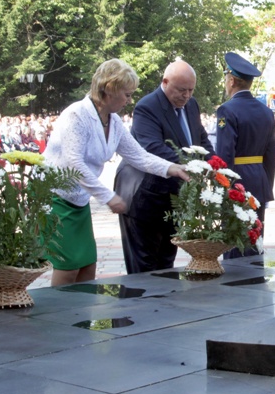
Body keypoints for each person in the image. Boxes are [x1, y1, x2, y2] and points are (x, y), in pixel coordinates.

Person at [43, 58, 189, 286]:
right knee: (68, 268)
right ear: (109, 90)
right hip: (57, 198)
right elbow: (73, 163)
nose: (130, 101)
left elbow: (138, 155)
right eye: (127, 94)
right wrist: (108, 197)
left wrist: (172, 168)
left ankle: (82, 320)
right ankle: (60, 319)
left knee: (88, 267)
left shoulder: (113, 121)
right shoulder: (76, 116)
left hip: (78, 202)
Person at [113, 59, 212, 274]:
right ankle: (141, 306)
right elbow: (153, 149)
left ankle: (164, 306)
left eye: (191, 90)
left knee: (166, 262)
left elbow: (201, 141)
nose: (186, 96)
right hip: (144, 196)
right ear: (165, 82)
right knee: (144, 266)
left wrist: (215, 166)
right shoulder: (147, 107)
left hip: (173, 197)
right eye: (181, 90)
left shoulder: (191, 105)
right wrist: (194, 168)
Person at [215, 52, 275, 257]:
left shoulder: (227, 110)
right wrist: (267, 187)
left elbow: (225, 155)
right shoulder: (266, 112)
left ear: (231, 80)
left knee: (234, 239)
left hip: (237, 181)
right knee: (254, 236)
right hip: (258, 179)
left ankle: (236, 286)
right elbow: (270, 155)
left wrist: (223, 189)